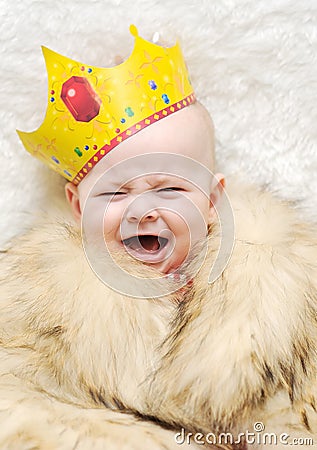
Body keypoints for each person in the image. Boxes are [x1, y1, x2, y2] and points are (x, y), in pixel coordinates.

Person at [1, 25, 316, 449]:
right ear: (77, 206)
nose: (144, 209)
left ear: (211, 200)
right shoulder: (41, 307)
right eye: (116, 192)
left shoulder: (280, 285)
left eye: (170, 189)